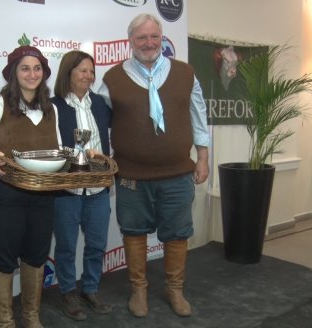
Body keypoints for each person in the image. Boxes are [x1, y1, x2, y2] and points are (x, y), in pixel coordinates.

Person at [98, 13, 209, 318]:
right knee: (133, 232)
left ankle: (174, 289)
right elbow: (96, 125)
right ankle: (139, 289)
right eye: (141, 37)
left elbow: (199, 115)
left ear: (162, 38)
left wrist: (203, 157)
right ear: (129, 41)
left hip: (177, 174)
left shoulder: (185, 73)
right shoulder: (111, 79)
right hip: (131, 176)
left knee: (177, 233)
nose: (148, 43)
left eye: (154, 37)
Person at [0, 45, 59, 328]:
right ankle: (5, 322)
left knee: (36, 256)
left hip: (42, 194)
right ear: (13, 73)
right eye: (25, 68)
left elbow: (57, 150)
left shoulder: (52, 109)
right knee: (3, 259)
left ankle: (31, 316)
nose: (32, 74)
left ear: (44, 73)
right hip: (6, 194)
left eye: (37, 68)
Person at [50, 50, 112, 321]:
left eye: (91, 71)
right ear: (68, 73)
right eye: (82, 70)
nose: (88, 75)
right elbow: (48, 148)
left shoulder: (101, 104)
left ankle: (90, 288)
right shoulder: (52, 106)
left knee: (97, 244)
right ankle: (67, 292)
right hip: (67, 190)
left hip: (98, 189)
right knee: (65, 246)